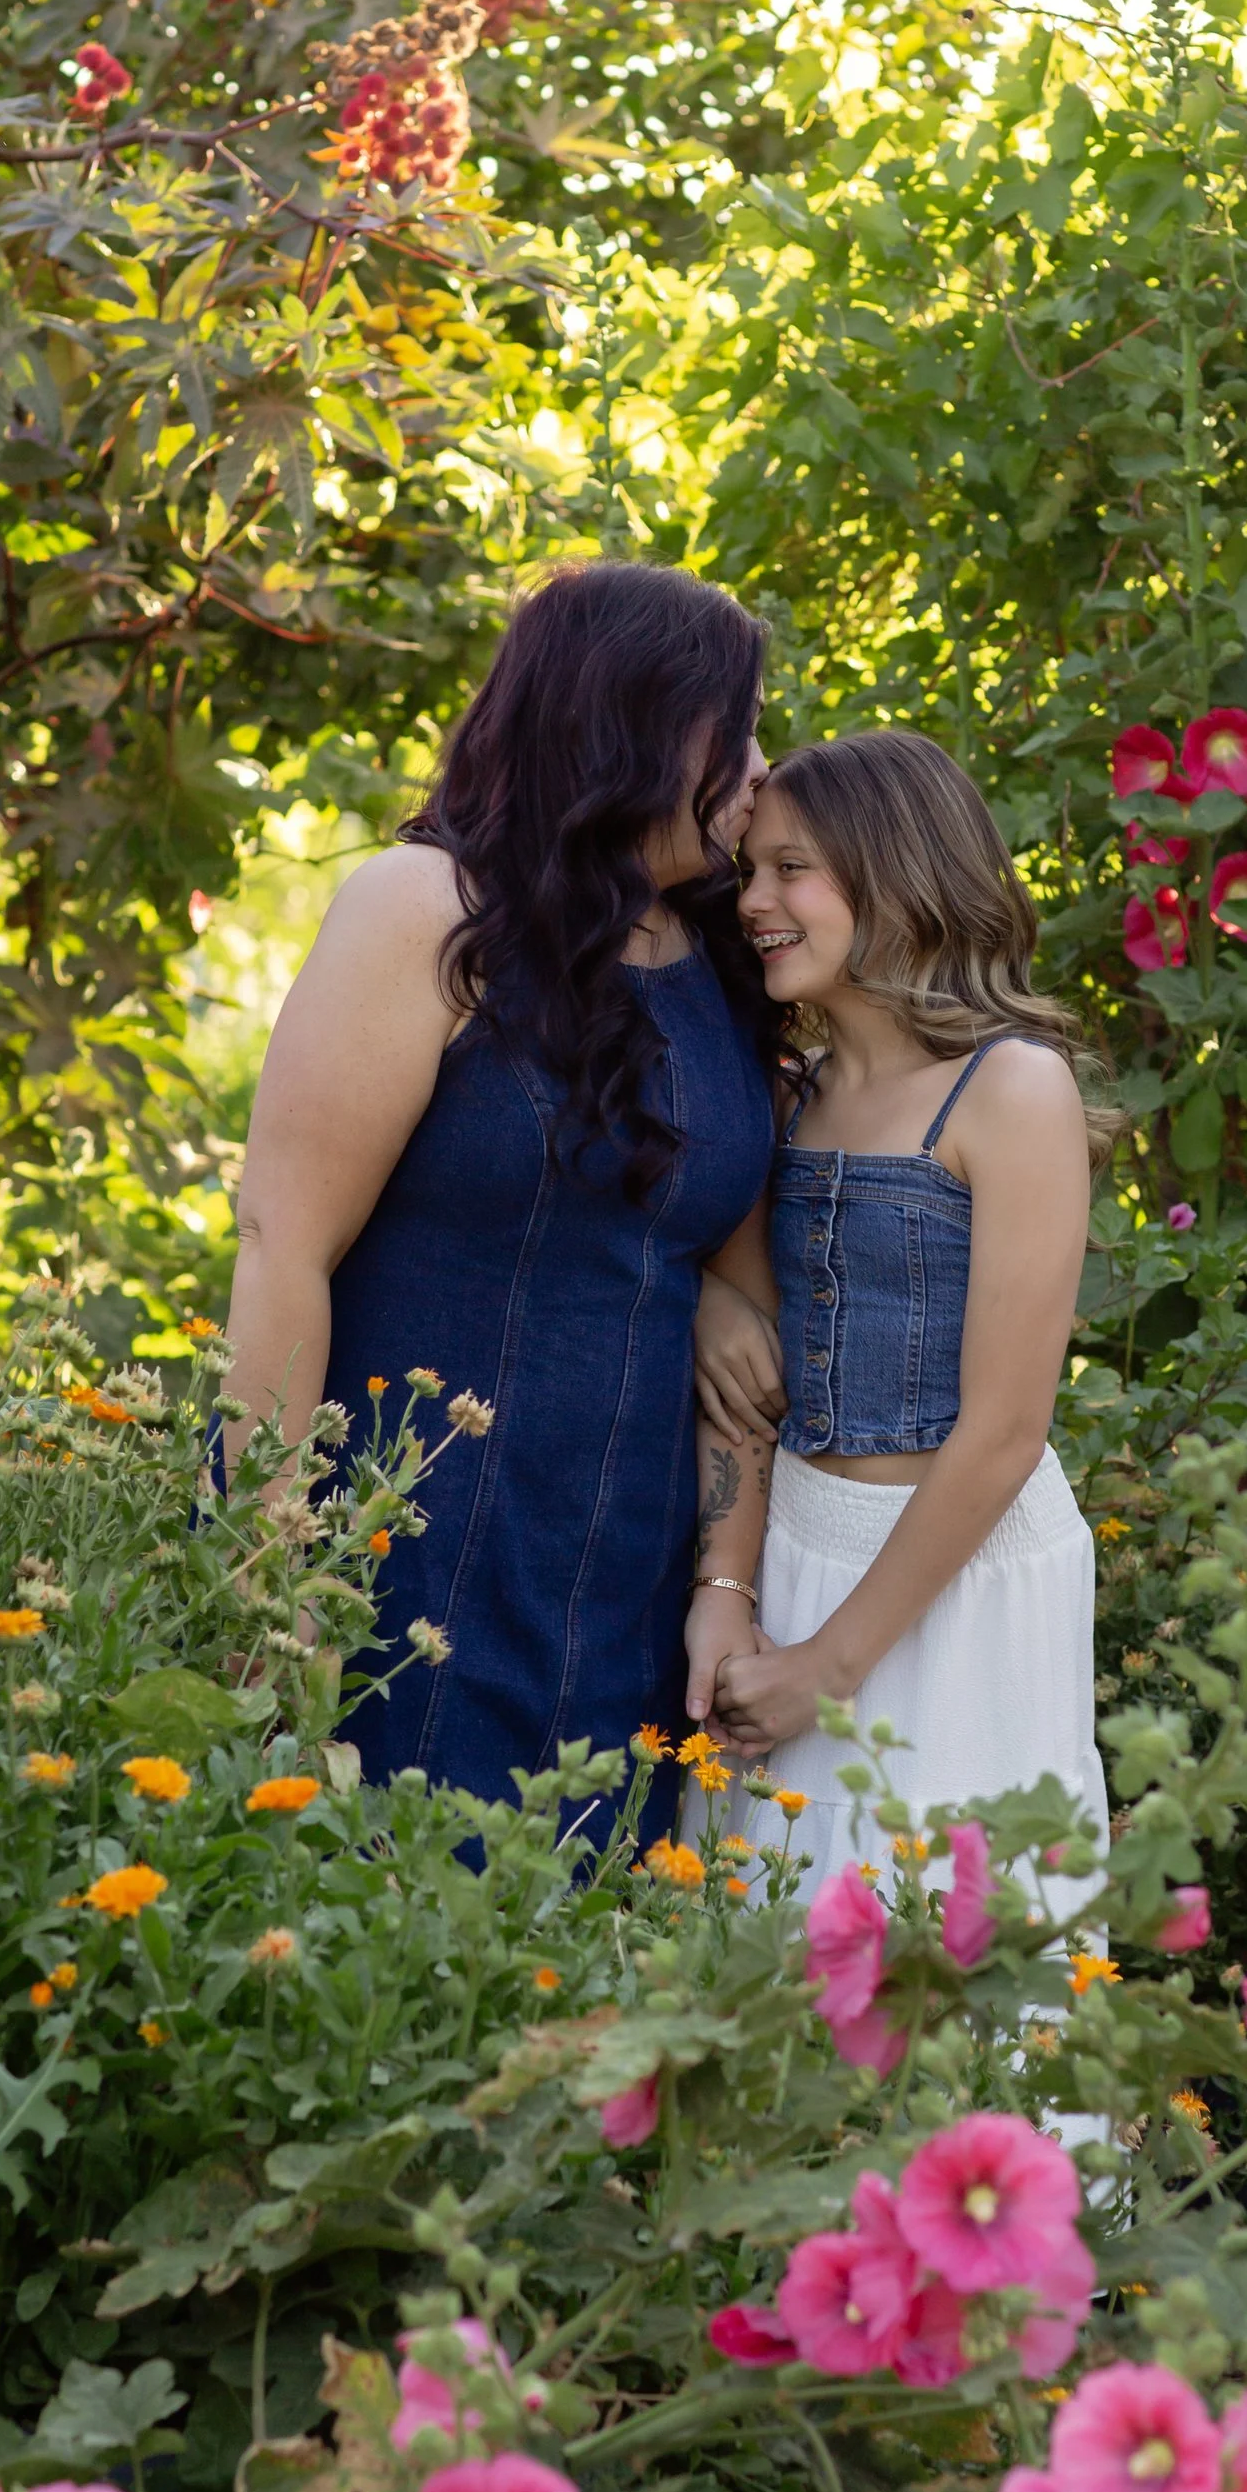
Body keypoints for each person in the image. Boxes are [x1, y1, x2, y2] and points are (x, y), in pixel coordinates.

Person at [222, 562, 778, 1820]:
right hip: (400, 1562)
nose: (759, 766)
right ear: (634, 719)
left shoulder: (728, 950)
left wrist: (723, 1586)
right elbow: (280, 1245)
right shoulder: (426, 910)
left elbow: (741, 1306)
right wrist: (271, 1571)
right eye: (734, 727)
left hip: (628, 1586)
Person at [684, 728, 1114, 1878]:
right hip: (795, 1552)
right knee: (767, 1933)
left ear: (900, 873)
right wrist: (724, 1592)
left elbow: (1006, 1431)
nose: (755, 903)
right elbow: (741, 1387)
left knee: (944, 1942)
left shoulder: (1011, 1089)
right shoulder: (782, 1096)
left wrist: (827, 1666)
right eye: (749, 872)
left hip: (961, 1579)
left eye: (792, 869)